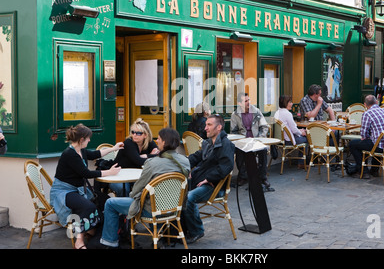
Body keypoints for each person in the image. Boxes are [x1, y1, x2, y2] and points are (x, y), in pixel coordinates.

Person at [93, 127, 190, 249]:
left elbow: (137, 189)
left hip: (151, 210)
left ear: (164, 142)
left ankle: (110, 242)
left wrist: (135, 196)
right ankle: (158, 235)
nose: (156, 141)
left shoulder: (152, 163)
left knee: (110, 203)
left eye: (158, 139)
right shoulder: (185, 161)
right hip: (174, 208)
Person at [50, 124, 123, 249]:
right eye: (88, 138)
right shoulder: (70, 154)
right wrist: (109, 172)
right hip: (64, 191)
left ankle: (97, 232)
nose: (89, 140)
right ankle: (80, 240)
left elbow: (95, 154)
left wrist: (113, 148)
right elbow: (86, 173)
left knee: (105, 200)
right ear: (81, 139)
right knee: (87, 206)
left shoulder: (80, 151)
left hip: (77, 189)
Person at [183, 114, 235, 244]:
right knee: (177, 193)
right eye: (206, 125)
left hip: (214, 186)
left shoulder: (225, 144)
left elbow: (226, 167)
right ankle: (181, 230)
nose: (205, 128)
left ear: (219, 127)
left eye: (209, 125)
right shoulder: (208, 143)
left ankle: (196, 231)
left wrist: (209, 178)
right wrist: (185, 166)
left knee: (189, 198)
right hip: (200, 180)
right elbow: (196, 156)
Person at [230, 92, 272, 190]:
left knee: (263, 151)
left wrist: (260, 138)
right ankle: (243, 176)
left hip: (256, 139)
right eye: (245, 101)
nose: (248, 102)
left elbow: (264, 126)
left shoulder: (256, 111)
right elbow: (233, 131)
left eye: (248, 100)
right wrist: (241, 140)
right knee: (239, 152)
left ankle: (262, 177)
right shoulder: (235, 115)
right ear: (240, 103)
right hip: (243, 141)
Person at [348, 95, 384, 179]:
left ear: (365, 104)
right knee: (374, 141)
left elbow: (363, 134)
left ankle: (363, 171)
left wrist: (366, 138)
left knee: (353, 144)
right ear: (376, 102)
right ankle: (374, 170)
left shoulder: (367, 113)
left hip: (379, 146)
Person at [111, 118, 158, 196]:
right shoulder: (129, 143)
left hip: (137, 175)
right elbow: (138, 161)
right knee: (123, 190)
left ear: (145, 135)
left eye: (139, 133)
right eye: (133, 132)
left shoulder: (149, 142)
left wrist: (147, 155)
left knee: (148, 188)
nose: (134, 135)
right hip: (119, 175)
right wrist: (151, 156)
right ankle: (124, 207)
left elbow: (160, 156)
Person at [274, 95, 308, 162]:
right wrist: (302, 132)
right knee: (306, 138)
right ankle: (301, 163)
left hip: (280, 140)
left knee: (302, 134)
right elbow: (294, 130)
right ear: (285, 103)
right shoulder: (287, 114)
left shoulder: (277, 113)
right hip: (288, 141)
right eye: (290, 102)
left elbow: (289, 128)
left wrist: (300, 131)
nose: (292, 104)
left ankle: (299, 161)